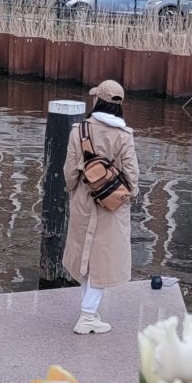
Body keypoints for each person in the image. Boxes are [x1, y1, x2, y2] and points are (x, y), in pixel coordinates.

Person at [62, 79, 139, 336]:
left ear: (98, 101)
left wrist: (75, 189)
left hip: (84, 201)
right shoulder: (124, 136)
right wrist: (125, 195)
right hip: (112, 207)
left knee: (85, 258)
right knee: (102, 261)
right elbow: (132, 176)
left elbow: (70, 173)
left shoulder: (80, 131)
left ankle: (89, 313)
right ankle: (88, 315)